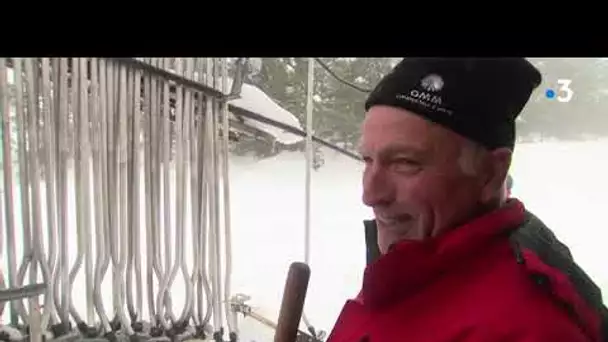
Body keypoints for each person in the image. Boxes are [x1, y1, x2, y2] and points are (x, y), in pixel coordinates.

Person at [327, 58, 608, 342]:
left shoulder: (523, 328)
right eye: (367, 159)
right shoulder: (415, 266)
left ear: (491, 173)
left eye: (405, 162)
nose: (371, 195)